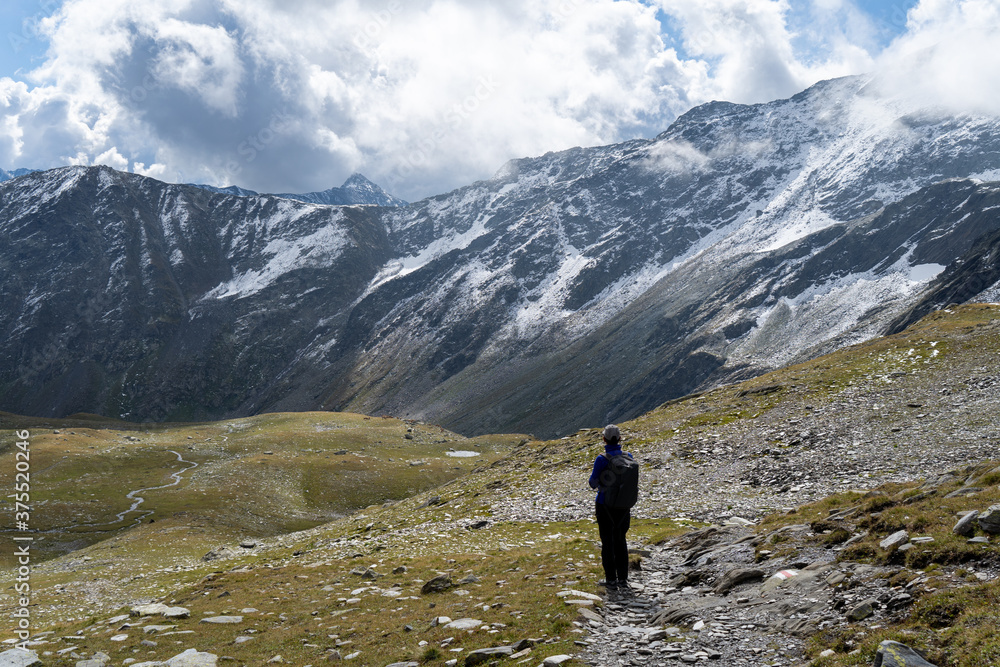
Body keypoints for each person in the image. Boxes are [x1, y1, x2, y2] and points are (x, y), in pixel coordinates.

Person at [588, 424, 634, 589]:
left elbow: (592, 483)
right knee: (621, 540)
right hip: (623, 506)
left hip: (604, 505)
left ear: (604, 439)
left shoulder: (601, 459)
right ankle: (623, 578)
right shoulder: (629, 456)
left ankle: (611, 580)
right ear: (620, 438)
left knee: (607, 541)